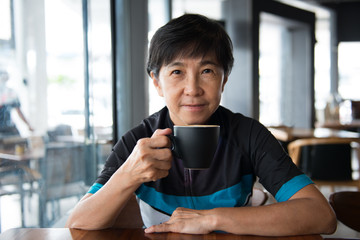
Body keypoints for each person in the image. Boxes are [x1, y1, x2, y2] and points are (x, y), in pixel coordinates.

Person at [66, 14, 336, 236]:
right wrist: (129, 174)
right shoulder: (139, 142)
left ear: (224, 79)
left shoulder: (249, 135)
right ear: (157, 82)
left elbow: (321, 215)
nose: (192, 89)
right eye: (177, 72)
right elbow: (79, 221)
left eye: (207, 71)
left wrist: (210, 219)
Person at [0, 70, 33, 137]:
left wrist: (28, 125)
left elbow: (19, 111)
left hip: (8, 128)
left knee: (19, 142)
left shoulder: (11, 93)